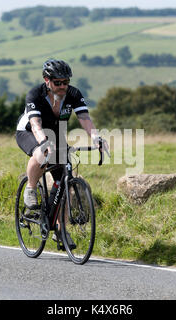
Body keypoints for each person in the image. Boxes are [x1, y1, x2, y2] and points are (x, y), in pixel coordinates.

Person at [15, 59, 108, 247]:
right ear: (46, 80)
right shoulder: (35, 94)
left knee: (64, 179)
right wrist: (43, 143)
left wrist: (97, 138)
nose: (62, 86)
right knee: (41, 155)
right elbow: (35, 124)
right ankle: (31, 190)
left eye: (66, 82)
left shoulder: (73, 94)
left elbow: (85, 119)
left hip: (56, 134)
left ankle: (60, 230)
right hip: (29, 132)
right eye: (58, 82)